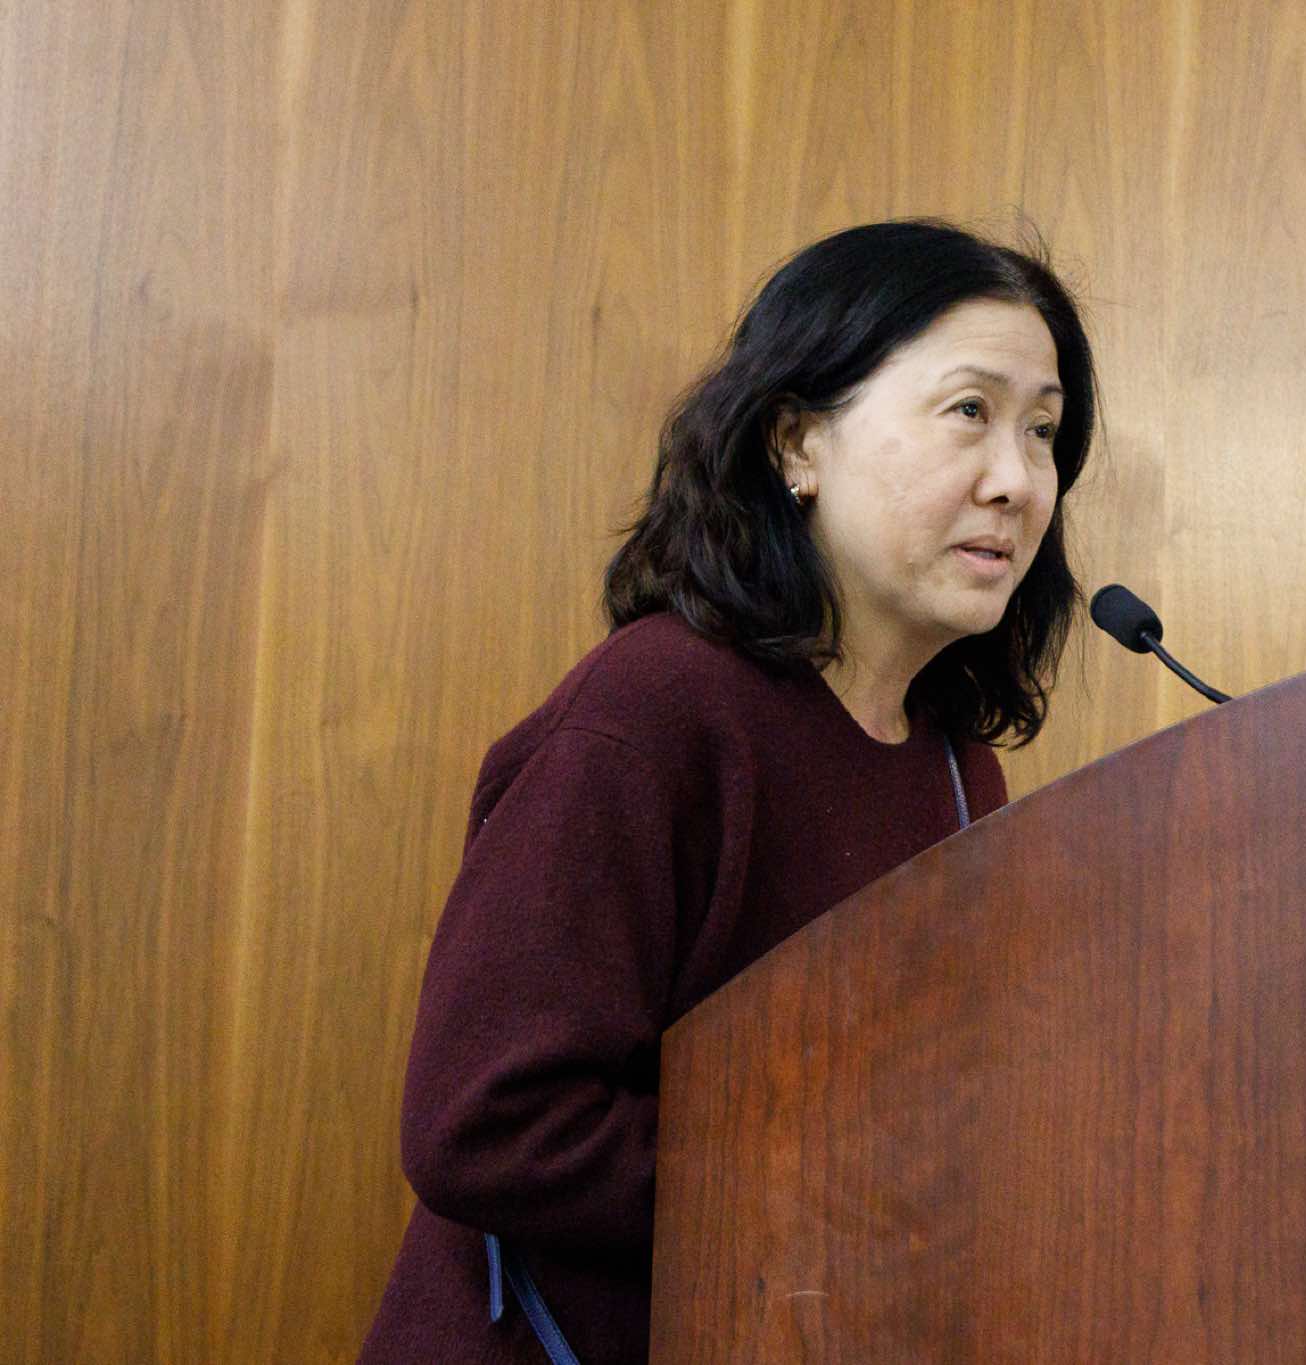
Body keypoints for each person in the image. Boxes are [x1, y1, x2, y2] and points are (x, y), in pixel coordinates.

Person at [358, 219, 1097, 1363]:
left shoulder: (956, 766)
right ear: (797, 442)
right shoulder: (653, 712)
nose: (1016, 481)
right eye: (969, 412)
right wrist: (838, 1202)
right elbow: (486, 1124)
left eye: (1042, 431)